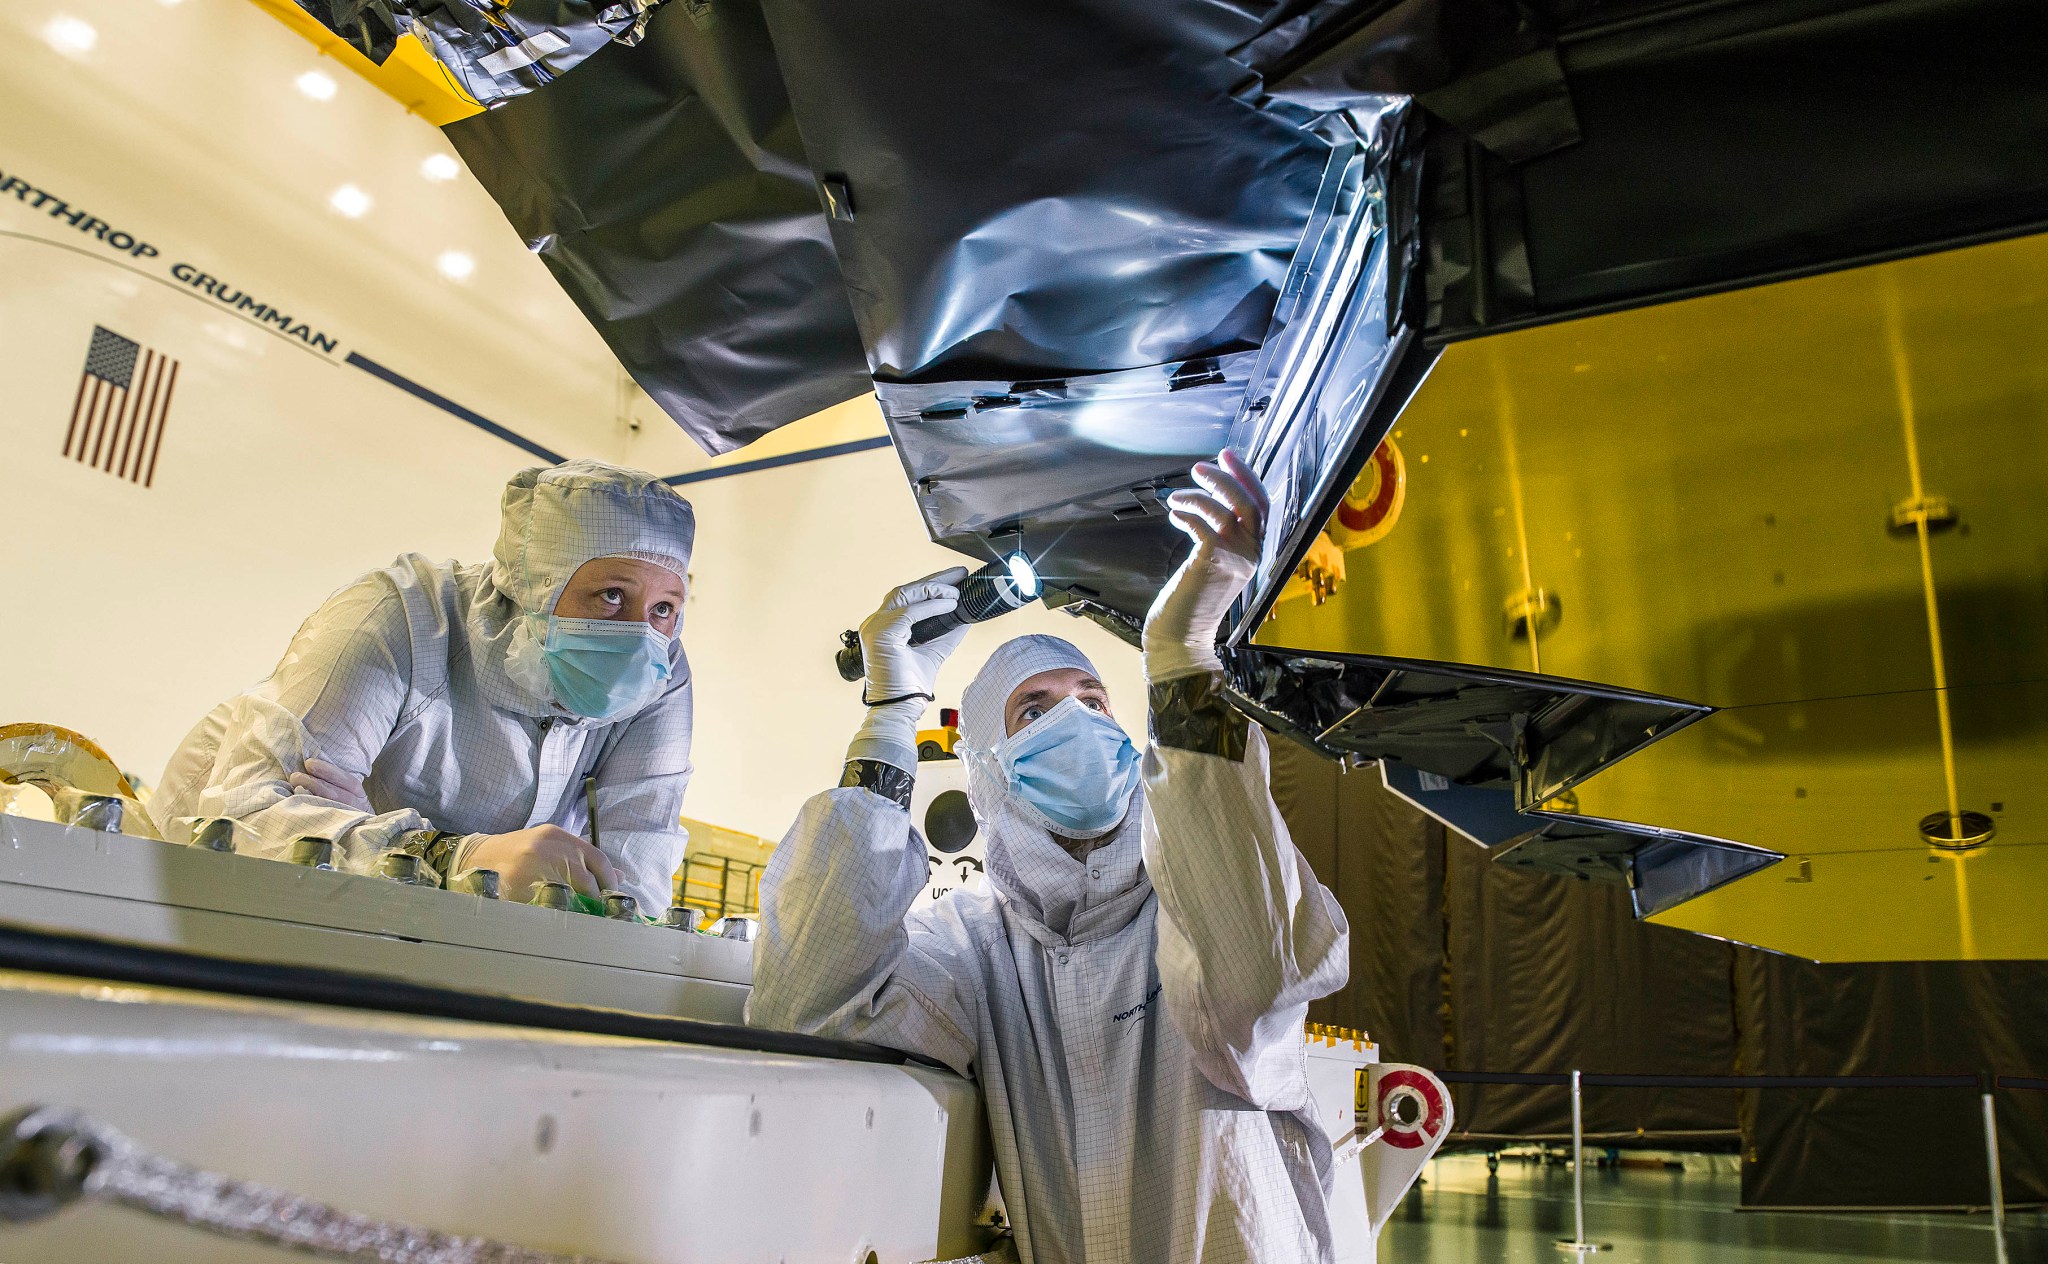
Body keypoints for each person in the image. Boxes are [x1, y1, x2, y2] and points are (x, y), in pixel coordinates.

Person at [749, 450, 1351, 1263]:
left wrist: (1183, 656)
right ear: (990, 764)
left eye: (1094, 702)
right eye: (1035, 709)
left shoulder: (1189, 899)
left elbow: (1257, 981)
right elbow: (809, 1003)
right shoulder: (973, 945)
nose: (1079, 723)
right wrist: (891, 715)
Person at [151, 459, 695, 912]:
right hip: (193, 880)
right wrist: (451, 856)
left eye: (665, 608)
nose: (639, 635)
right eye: (611, 595)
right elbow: (249, 816)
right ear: (535, 588)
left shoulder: (661, 678)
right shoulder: (400, 620)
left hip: (409, 914)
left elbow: (634, 887)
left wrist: (365, 832)